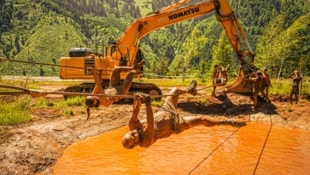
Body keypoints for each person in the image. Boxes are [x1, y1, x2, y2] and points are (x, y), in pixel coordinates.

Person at [121, 80, 246, 149]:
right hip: (175, 125)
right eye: (134, 136)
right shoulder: (145, 142)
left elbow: (135, 111)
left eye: (131, 133)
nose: (134, 133)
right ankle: (225, 122)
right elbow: (150, 121)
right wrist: (148, 103)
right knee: (201, 119)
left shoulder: (132, 126)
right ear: (136, 143)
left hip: (165, 111)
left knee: (175, 90)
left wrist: (137, 99)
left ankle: (191, 90)